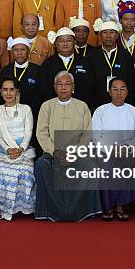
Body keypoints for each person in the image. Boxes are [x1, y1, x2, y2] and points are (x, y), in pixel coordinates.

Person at [34, 71, 101, 221]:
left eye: (67, 84)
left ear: (73, 87)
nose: (64, 88)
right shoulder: (47, 106)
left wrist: (73, 152)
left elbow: (87, 134)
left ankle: (81, 211)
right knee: (40, 165)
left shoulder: (82, 106)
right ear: (55, 87)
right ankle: (50, 211)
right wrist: (55, 151)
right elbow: (41, 133)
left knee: (90, 165)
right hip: (52, 152)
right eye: (60, 84)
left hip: (77, 152)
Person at [92, 78, 135, 220]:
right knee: (107, 165)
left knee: (127, 164)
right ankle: (109, 206)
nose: (118, 93)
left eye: (122, 89)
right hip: (106, 151)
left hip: (127, 151)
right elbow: (96, 136)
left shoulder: (134, 112)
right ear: (109, 92)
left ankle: (121, 205)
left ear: (127, 92)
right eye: (115, 89)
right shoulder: (101, 111)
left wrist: (126, 147)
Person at [0, 76, 36, 220]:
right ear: (0, 91)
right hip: (4, 149)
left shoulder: (25, 109)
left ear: (17, 91)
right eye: (5, 90)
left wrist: (21, 148)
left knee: (27, 170)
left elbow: (29, 132)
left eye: (12, 90)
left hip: (23, 148)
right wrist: (8, 150)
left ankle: (23, 208)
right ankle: (5, 209)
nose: (8, 93)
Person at [41, 27, 94, 108]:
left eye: (69, 40)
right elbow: (43, 86)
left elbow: (89, 84)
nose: (65, 44)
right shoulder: (48, 63)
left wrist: (75, 101)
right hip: (54, 106)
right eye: (61, 41)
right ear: (55, 44)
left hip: (79, 105)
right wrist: (57, 101)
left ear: (74, 42)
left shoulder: (84, 62)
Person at [90, 20, 135, 107]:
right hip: (98, 101)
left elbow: (131, 80)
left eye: (112, 32)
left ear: (117, 35)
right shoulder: (93, 54)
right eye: (105, 32)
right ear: (100, 35)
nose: (108, 36)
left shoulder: (125, 55)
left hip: (122, 101)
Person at [0, 37, 42, 116]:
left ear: (28, 51)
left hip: (32, 113)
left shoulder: (37, 70)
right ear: (12, 52)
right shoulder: (5, 70)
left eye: (23, 50)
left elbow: (41, 94)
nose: (19, 53)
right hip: (8, 113)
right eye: (16, 50)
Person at [117, 1, 135, 67]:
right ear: (120, 20)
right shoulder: (115, 40)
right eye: (126, 19)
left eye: (133, 20)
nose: (129, 23)